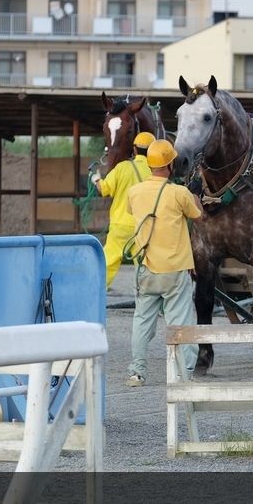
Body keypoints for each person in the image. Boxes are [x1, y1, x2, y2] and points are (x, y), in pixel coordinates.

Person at [124, 139, 203, 387]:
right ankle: (183, 374)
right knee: (181, 324)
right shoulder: (179, 193)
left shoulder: (134, 192)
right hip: (175, 270)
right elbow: (198, 215)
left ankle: (137, 372)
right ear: (170, 165)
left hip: (145, 267)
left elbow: (132, 211)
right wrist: (195, 193)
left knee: (142, 321)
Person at [92, 131, 154, 289]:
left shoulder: (122, 168)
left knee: (108, 262)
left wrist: (96, 178)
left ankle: (95, 291)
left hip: (120, 225)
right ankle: (147, 298)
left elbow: (104, 189)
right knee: (143, 266)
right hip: (144, 227)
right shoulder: (155, 172)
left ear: (134, 149)